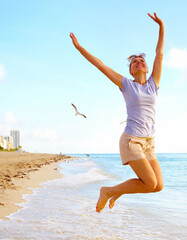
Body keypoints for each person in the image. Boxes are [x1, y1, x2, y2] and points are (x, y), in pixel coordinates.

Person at [70, 13, 165, 213]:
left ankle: (118, 191)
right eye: (134, 62)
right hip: (131, 140)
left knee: (158, 186)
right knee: (148, 183)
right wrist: (79, 48)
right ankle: (108, 191)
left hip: (149, 142)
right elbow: (100, 65)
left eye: (141, 60)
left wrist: (161, 26)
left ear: (146, 68)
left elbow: (159, 54)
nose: (139, 62)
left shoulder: (153, 84)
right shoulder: (126, 85)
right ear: (131, 70)